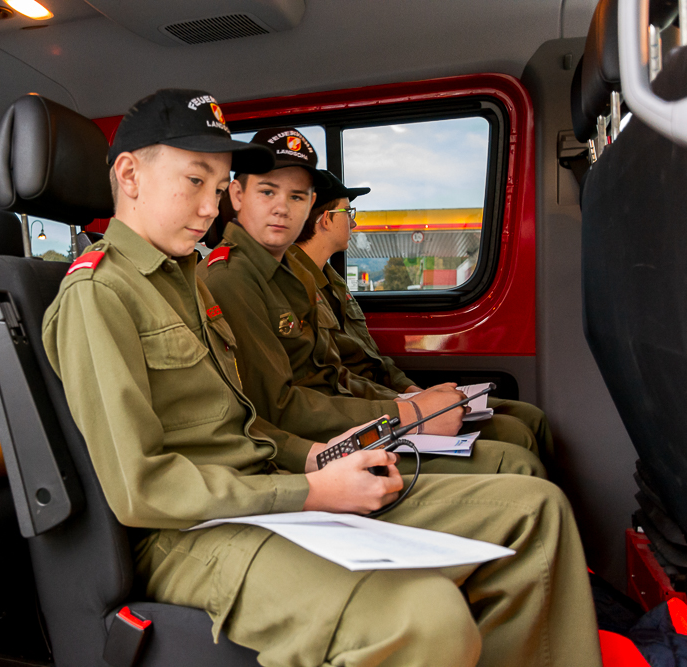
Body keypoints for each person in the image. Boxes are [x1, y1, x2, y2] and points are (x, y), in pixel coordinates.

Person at [41, 88, 600, 667]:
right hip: (188, 532)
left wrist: (317, 457)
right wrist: (309, 491)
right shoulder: (99, 294)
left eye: (218, 187)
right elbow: (143, 489)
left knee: (535, 512)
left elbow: (244, 424)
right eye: (195, 181)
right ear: (129, 175)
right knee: (425, 615)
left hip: (266, 487)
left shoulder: (185, 280)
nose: (210, 208)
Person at [198, 128, 544, 476]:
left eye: (297, 196)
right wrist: (407, 413)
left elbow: (333, 374)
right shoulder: (230, 279)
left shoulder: (291, 271)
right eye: (267, 192)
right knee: (515, 459)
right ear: (238, 195)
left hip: (348, 425)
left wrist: (409, 400)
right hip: (314, 448)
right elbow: (278, 410)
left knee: (521, 429)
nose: (282, 208)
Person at [287, 171, 555, 467]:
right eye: (348, 212)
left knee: (530, 417)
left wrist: (411, 390)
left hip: (384, 400)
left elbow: (370, 358)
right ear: (326, 220)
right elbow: (335, 378)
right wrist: (407, 406)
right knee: (517, 438)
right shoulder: (292, 288)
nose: (354, 223)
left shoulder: (331, 279)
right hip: (364, 413)